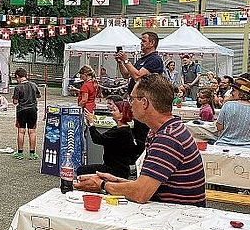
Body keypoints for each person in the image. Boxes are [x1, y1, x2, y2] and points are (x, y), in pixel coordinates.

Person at [74, 73, 206, 207]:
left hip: (177, 218)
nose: (130, 104)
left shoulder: (167, 138)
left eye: (132, 99)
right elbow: (146, 185)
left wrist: (102, 185)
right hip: (172, 211)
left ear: (144, 102)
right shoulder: (165, 130)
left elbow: (140, 193)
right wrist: (116, 181)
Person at [115, 31, 164, 155]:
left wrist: (126, 61)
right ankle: (139, 160)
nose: (141, 43)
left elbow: (137, 76)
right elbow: (127, 74)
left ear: (152, 43)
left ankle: (146, 160)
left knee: (144, 134)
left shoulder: (155, 60)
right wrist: (120, 63)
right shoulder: (142, 59)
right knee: (138, 134)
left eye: (143, 40)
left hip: (147, 103)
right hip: (137, 102)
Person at [78, 100, 139, 179]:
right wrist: (90, 124)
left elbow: (98, 139)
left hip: (115, 170)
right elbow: (101, 137)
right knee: (85, 170)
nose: (111, 112)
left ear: (122, 114)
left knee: (82, 170)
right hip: (114, 167)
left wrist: (92, 124)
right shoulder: (120, 129)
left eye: (114, 110)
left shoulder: (121, 132)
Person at [12, 67, 41, 161]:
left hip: (22, 110)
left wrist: (16, 98)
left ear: (18, 76)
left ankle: (20, 153)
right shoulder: (33, 85)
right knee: (32, 132)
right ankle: (32, 153)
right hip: (33, 110)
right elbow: (38, 95)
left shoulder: (18, 87)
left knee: (21, 131)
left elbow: (15, 102)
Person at [215, 74, 250, 147]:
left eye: (233, 90)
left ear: (241, 92)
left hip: (224, 145)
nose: (231, 93)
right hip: (246, 148)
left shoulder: (228, 105)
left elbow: (219, 127)